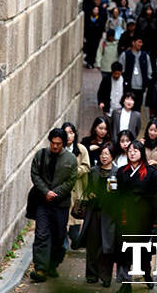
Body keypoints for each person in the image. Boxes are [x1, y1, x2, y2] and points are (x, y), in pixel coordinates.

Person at [30, 128, 78, 283]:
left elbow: (71, 180)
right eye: (53, 143)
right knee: (41, 234)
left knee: (58, 237)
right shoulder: (41, 155)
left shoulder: (70, 159)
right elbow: (35, 174)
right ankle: (40, 268)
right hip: (43, 203)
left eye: (58, 144)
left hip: (61, 204)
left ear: (63, 143)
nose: (55, 146)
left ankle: (52, 264)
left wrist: (56, 193)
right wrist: (46, 192)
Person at [116, 141, 157, 284]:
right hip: (126, 217)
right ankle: (124, 279)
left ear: (142, 153)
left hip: (144, 219)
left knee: (144, 251)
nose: (132, 153)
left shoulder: (151, 173)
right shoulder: (122, 171)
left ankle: (146, 273)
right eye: (130, 150)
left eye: (136, 150)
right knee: (124, 249)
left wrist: (156, 221)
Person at [81, 143, 118, 287]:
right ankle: (91, 274)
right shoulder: (93, 171)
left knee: (107, 245)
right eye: (102, 154)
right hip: (94, 212)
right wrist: (90, 194)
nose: (104, 157)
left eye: (107, 154)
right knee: (92, 244)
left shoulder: (117, 172)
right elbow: (87, 188)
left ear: (112, 156)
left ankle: (106, 276)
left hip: (109, 213)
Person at [63, 122, 91, 249]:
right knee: (62, 220)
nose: (68, 136)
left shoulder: (81, 149)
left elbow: (86, 167)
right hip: (63, 192)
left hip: (78, 190)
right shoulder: (59, 149)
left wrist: (73, 171)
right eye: (66, 132)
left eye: (71, 132)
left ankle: (75, 242)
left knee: (75, 222)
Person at [119, 36, 152, 111]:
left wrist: (146, 82)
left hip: (141, 87)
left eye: (142, 42)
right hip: (129, 86)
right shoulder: (125, 55)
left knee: (138, 108)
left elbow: (149, 71)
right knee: (127, 106)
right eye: (139, 42)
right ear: (133, 42)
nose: (141, 44)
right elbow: (121, 69)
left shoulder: (145, 56)